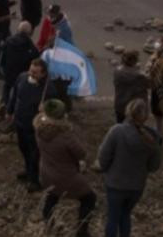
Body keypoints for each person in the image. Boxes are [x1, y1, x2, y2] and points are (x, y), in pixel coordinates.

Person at [98, 99, 162, 237]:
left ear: (128, 112)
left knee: (113, 218)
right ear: (146, 116)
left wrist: (105, 169)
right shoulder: (152, 137)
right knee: (125, 215)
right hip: (136, 186)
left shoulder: (116, 131)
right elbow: (154, 166)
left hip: (115, 183)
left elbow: (103, 157)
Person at [35, 99, 96, 237]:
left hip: (46, 171)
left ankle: (49, 223)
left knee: (52, 196)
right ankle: (82, 231)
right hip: (66, 176)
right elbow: (82, 154)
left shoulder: (39, 128)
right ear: (62, 116)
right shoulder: (66, 136)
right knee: (89, 198)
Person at [7, 59, 59, 192]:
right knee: (23, 149)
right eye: (31, 70)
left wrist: (45, 110)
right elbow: (14, 95)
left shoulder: (49, 89)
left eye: (35, 73)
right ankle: (28, 169)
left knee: (35, 154)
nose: (31, 74)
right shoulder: (22, 77)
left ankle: (33, 180)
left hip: (35, 128)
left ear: (43, 74)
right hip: (20, 122)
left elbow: (56, 113)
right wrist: (9, 110)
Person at [0, 21, 39, 110]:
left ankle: (3, 104)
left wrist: (2, 68)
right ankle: (13, 108)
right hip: (22, 75)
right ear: (30, 33)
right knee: (18, 92)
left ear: (18, 30)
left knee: (6, 87)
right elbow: (35, 63)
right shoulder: (32, 48)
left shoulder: (8, 41)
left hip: (8, 72)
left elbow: (2, 57)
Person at [113, 50, 151, 124]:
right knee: (136, 127)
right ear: (134, 61)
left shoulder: (117, 71)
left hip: (120, 104)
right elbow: (149, 85)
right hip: (134, 107)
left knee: (120, 125)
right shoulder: (139, 75)